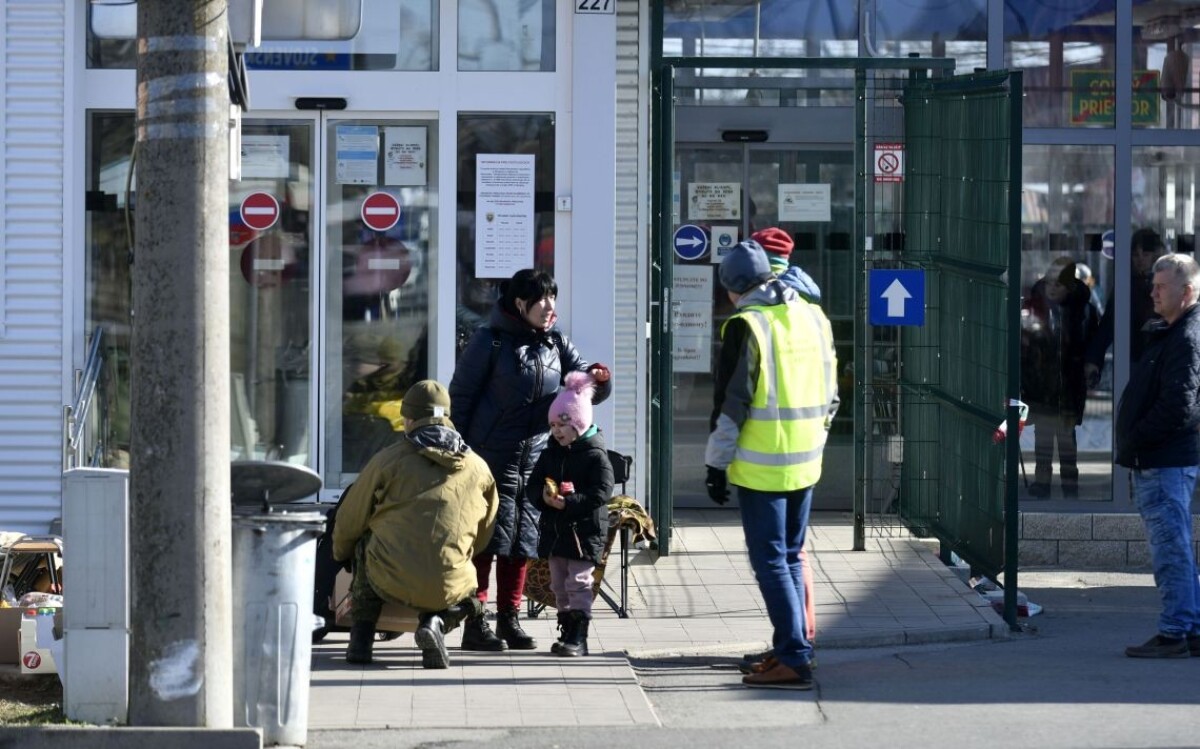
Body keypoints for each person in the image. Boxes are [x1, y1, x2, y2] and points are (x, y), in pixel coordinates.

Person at [449, 268, 612, 652]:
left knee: (522, 541)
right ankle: (476, 622)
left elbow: (583, 392)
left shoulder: (557, 344)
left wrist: (598, 380)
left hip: (538, 458)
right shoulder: (488, 342)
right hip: (490, 457)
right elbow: (462, 398)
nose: (550, 307)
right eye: (542, 299)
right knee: (488, 541)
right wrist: (456, 452)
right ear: (520, 303)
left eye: (553, 298)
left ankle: (509, 620)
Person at [704, 239, 839, 690]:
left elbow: (730, 405)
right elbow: (834, 392)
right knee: (792, 556)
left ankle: (793, 658)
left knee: (771, 561)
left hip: (762, 466)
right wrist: (816, 436)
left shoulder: (747, 325)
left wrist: (715, 464)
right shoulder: (812, 315)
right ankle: (792, 644)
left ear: (731, 290)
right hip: (806, 460)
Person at [332, 380, 499, 668]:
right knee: (468, 592)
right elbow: (485, 532)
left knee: (363, 545)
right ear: (447, 417)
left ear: (408, 419)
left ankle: (361, 640)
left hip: (388, 577)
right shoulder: (478, 466)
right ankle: (435, 623)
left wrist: (340, 554)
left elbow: (350, 519)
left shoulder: (387, 460)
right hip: (449, 582)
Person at [1115, 254, 1200, 659]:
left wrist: (1136, 439)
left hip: (1164, 461)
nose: (1152, 291)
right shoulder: (1171, 332)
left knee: (1170, 549)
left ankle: (1175, 631)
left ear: (1185, 292)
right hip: (1161, 460)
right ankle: (1190, 627)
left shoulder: (1186, 337)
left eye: (1160, 285)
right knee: (1175, 546)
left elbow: (1179, 406)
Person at [747, 226, 820, 644]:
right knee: (795, 552)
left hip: (775, 446)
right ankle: (801, 636)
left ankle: (796, 641)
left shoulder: (773, 300)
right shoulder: (808, 296)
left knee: (779, 556)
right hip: (806, 442)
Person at [529, 371, 614, 657]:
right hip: (556, 532)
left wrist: (570, 502)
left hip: (583, 533)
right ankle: (566, 631)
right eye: (553, 424)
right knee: (558, 585)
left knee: (578, 583)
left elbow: (602, 491)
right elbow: (533, 484)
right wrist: (542, 498)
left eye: (563, 423)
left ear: (579, 423)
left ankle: (579, 635)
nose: (557, 430)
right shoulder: (550, 452)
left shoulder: (594, 454)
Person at [1020, 257, 1100, 498]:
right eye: (1049, 283)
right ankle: (1042, 483)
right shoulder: (1033, 308)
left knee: (1067, 442)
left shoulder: (1084, 311)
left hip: (1069, 386)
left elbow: (1092, 346)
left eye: (1059, 284)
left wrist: (1090, 369)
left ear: (1071, 286)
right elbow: (1022, 347)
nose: (1052, 288)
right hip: (1040, 387)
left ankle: (1069, 485)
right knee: (1043, 439)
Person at [1085, 228, 1166, 386]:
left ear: (1155, 256)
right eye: (1135, 255)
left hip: (1161, 358)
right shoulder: (1126, 285)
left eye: (1146, 254)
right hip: (1133, 358)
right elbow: (1108, 323)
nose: (1140, 259)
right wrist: (1093, 359)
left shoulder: (1166, 284)